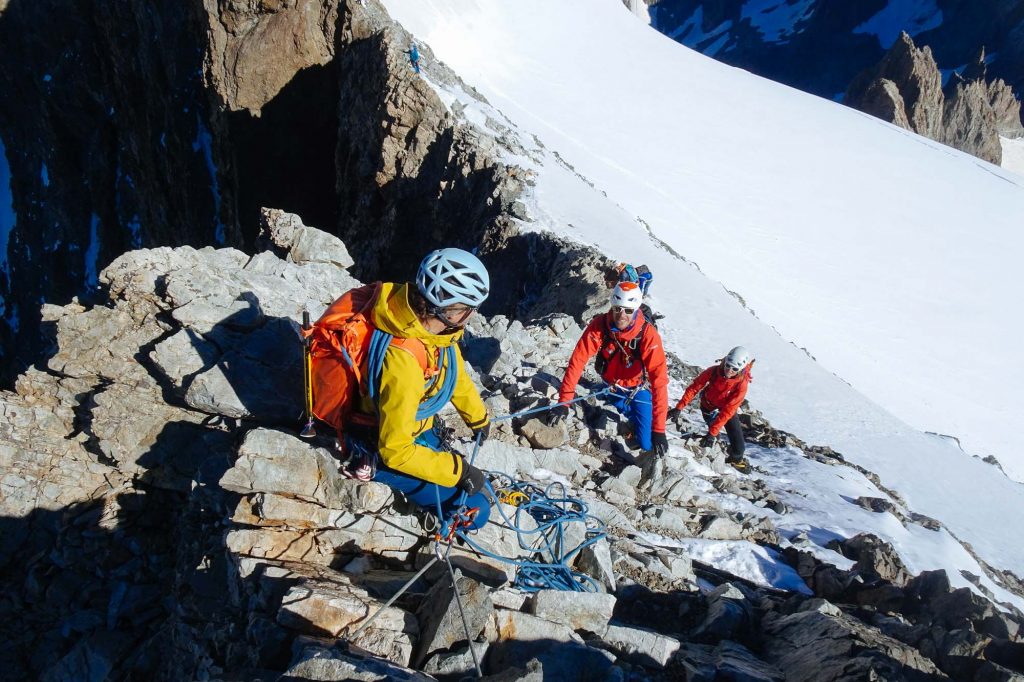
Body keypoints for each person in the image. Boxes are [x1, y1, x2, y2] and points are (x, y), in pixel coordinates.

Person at [343, 248, 493, 528]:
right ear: (452, 310)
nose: (472, 316)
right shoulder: (404, 361)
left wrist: (477, 416)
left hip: (415, 425)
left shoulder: (425, 326)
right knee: (478, 512)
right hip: (382, 444)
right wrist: (459, 472)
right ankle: (373, 469)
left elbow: (452, 368)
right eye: (470, 309)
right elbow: (396, 451)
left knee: (485, 490)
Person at [548, 282, 669, 456]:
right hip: (610, 386)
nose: (621, 315)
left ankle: (637, 427)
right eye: (618, 309)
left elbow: (659, 382)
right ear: (612, 306)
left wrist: (659, 430)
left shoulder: (648, 335)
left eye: (628, 310)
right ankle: (625, 419)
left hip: (636, 389)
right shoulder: (601, 326)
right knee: (615, 411)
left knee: (647, 443)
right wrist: (564, 402)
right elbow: (578, 360)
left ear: (636, 310)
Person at [669, 346, 753, 465]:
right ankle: (715, 452)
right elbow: (695, 387)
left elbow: (729, 410)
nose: (729, 370)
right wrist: (679, 407)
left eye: (734, 368)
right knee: (713, 436)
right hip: (708, 406)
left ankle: (735, 461)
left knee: (739, 448)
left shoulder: (741, 385)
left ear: (741, 369)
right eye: (728, 365)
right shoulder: (714, 371)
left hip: (726, 409)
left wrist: (712, 433)